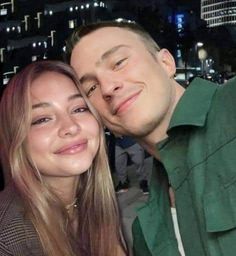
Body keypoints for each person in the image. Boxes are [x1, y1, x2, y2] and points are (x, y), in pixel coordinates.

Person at [66, 20, 236, 256]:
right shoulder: (145, 231)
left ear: (165, 62)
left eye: (118, 62)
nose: (107, 87)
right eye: (91, 89)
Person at [0, 60, 128, 256]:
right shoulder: (8, 238)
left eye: (79, 109)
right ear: (16, 139)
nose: (71, 127)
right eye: (42, 119)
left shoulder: (95, 202)